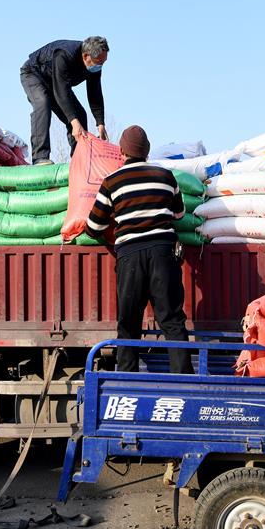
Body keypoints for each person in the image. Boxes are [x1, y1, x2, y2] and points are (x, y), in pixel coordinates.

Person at [84, 125, 194, 374]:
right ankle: (183, 380)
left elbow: (94, 226)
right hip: (163, 253)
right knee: (172, 320)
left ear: (122, 151)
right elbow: (179, 214)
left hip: (130, 256)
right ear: (147, 151)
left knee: (129, 322)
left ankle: (126, 376)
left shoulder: (112, 181)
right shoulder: (166, 176)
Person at [20, 36, 110, 165]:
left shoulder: (95, 65)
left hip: (56, 83)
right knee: (43, 104)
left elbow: (94, 92)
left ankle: (79, 159)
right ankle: (40, 157)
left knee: (80, 115)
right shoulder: (64, 54)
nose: (100, 65)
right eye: (99, 61)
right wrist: (74, 122)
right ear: (86, 56)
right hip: (34, 74)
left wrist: (100, 123)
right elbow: (61, 91)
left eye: (104, 62)